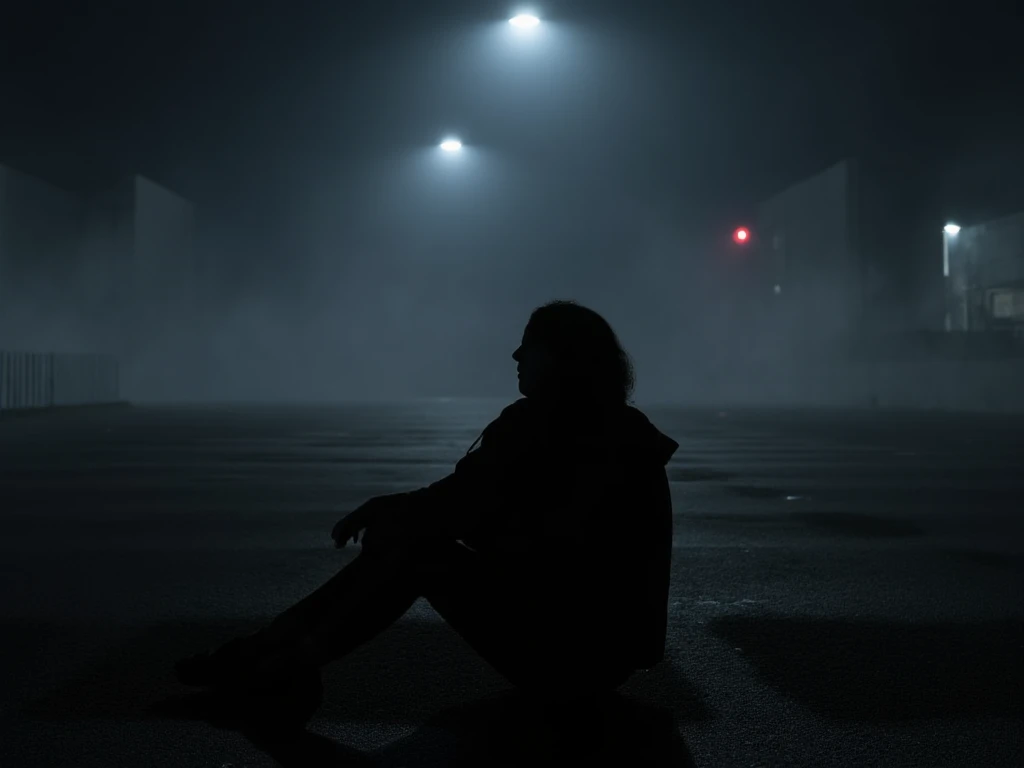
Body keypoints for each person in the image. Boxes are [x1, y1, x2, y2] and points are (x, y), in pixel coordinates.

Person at [176, 300, 678, 730]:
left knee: (415, 553)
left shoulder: (548, 429)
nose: (517, 355)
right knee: (412, 545)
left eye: (530, 345)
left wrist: (394, 516)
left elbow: (472, 511)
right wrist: (406, 516)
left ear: (562, 359)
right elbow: (476, 508)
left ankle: (273, 661)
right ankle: (273, 656)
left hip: (568, 652)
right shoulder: (616, 432)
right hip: (600, 655)